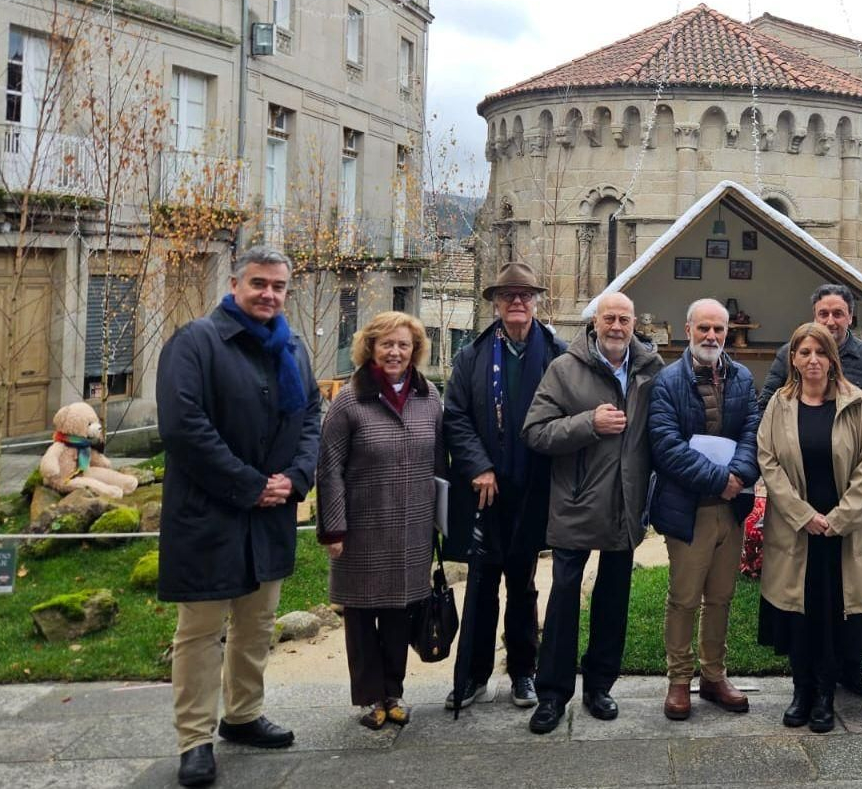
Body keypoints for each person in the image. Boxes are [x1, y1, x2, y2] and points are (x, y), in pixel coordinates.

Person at [156, 246, 321, 788]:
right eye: (258, 284)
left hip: (269, 512)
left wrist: (296, 478)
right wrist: (249, 485)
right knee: (200, 632)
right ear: (234, 285)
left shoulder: (292, 348)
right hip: (209, 512)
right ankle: (194, 740)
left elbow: (312, 418)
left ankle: (243, 715)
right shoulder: (195, 343)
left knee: (257, 624)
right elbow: (184, 428)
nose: (269, 294)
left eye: (278, 286)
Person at [521, 291, 662, 734]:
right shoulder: (565, 370)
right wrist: (588, 424)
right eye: (609, 319)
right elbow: (535, 432)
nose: (617, 327)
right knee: (564, 597)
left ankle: (600, 687)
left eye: (624, 319)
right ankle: (552, 695)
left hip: (625, 502)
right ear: (594, 323)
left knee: (613, 600)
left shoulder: (650, 371)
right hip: (577, 501)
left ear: (634, 322)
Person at [441, 262, 565, 712]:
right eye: (508, 295)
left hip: (534, 485)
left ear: (536, 301)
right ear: (495, 302)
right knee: (480, 582)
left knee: (524, 583)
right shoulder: (472, 356)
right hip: (485, 489)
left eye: (525, 295)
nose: (517, 302)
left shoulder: (557, 352)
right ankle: (473, 675)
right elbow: (454, 414)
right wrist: (478, 466)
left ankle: (523, 673)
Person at [757, 322, 862, 733]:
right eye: (804, 353)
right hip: (797, 531)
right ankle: (801, 691)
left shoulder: (858, 405)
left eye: (820, 352)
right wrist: (803, 515)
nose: (812, 360)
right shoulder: (779, 404)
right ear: (793, 360)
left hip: (842, 534)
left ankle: (826, 696)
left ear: (833, 359)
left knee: (834, 616)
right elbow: (769, 461)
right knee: (801, 615)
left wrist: (836, 519)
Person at [315, 312, 444, 728]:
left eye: (403, 345)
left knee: (399, 613)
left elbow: (442, 460)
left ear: (415, 351)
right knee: (359, 615)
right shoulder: (349, 400)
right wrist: (333, 527)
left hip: (412, 528)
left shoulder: (429, 397)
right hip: (362, 528)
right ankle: (370, 699)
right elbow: (329, 466)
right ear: (370, 347)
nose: (395, 352)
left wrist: (444, 520)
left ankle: (394, 692)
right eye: (387, 344)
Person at [648, 298, 762, 720]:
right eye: (704, 329)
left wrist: (739, 474)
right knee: (683, 598)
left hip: (730, 511)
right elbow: (666, 446)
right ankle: (679, 680)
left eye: (719, 329)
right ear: (688, 329)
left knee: (721, 598)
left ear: (728, 331)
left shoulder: (742, 376)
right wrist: (722, 480)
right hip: (688, 509)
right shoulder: (667, 381)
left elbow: (753, 429)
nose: (712, 336)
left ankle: (714, 676)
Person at [760, 284, 862, 407]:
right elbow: (766, 403)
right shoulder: (789, 353)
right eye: (823, 314)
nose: (830, 322)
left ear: (850, 317)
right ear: (814, 316)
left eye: (838, 314)